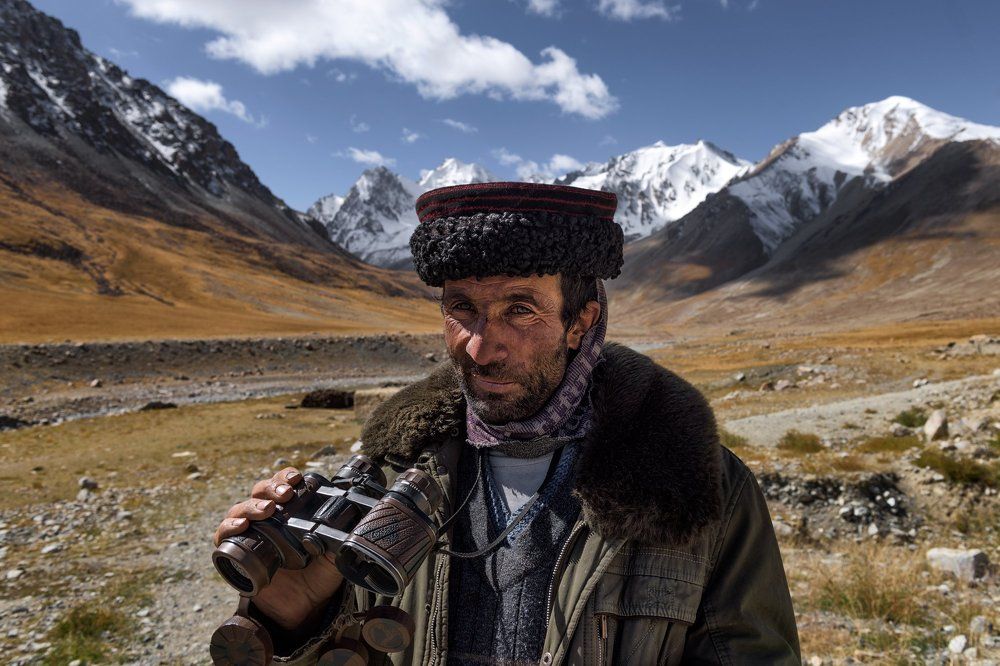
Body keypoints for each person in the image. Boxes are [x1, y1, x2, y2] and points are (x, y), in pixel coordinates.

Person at [214, 182, 800, 665]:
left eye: (519, 309)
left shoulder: (699, 488)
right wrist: (292, 619)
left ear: (581, 321)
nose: (480, 347)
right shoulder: (386, 474)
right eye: (461, 309)